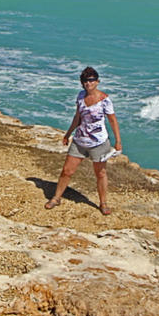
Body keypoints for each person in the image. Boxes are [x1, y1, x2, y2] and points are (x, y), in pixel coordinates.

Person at [44, 66, 122, 215]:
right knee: (67, 171)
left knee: (100, 173)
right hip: (79, 141)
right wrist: (68, 134)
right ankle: (56, 198)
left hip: (98, 143)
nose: (88, 83)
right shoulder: (80, 96)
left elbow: (113, 121)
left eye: (91, 80)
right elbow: (77, 118)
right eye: (85, 81)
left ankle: (103, 203)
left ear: (97, 82)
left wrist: (118, 141)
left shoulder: (105, 100)